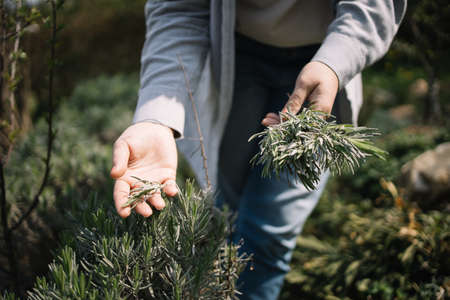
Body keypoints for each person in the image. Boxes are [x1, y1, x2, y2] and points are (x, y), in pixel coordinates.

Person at [110, 1, 407, 299]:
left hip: (324, 55)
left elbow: (375, 6)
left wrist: (334, 62)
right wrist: (157, 118)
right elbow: (180, 11)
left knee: (268, 229)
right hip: (236, 54)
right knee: (228, 205)